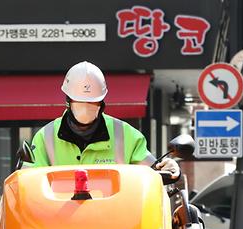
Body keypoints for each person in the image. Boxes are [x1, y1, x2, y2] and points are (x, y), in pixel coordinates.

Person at [28, 61, 180, 178]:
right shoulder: (45, 137)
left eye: (92, 101)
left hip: (117, 217)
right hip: (57, 217)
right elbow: (28, 180)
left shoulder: (126, 135)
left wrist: (166, 167)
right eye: (79, 101)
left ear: (101, 103)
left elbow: (151, 172)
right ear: (68, 101)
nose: (86, 106)